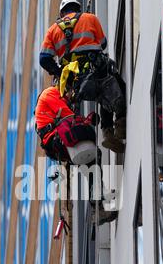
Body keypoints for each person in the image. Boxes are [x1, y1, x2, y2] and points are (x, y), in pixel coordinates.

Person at [39, 0, 126, 157]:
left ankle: (104, 134)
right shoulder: (89, 18)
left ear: (62, 13)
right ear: (78, 9)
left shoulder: (53, 30)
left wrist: (58, 71)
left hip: (73, 81)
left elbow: (43, 58)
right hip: (94, 69)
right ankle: (116, 127)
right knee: (115, 87)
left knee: (96, 98)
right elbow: (103, 43)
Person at [35, 85, 118, 225]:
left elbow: (71, 120)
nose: (70, 95)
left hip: (61, 142)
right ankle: (97, 200)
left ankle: (98, 205)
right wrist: (86, 121)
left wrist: (88, 120)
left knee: (92, 158)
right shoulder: (49, 93)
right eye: (68, 91)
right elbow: (69, 116)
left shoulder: (50, 104)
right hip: (59, 140)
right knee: (91, 155)